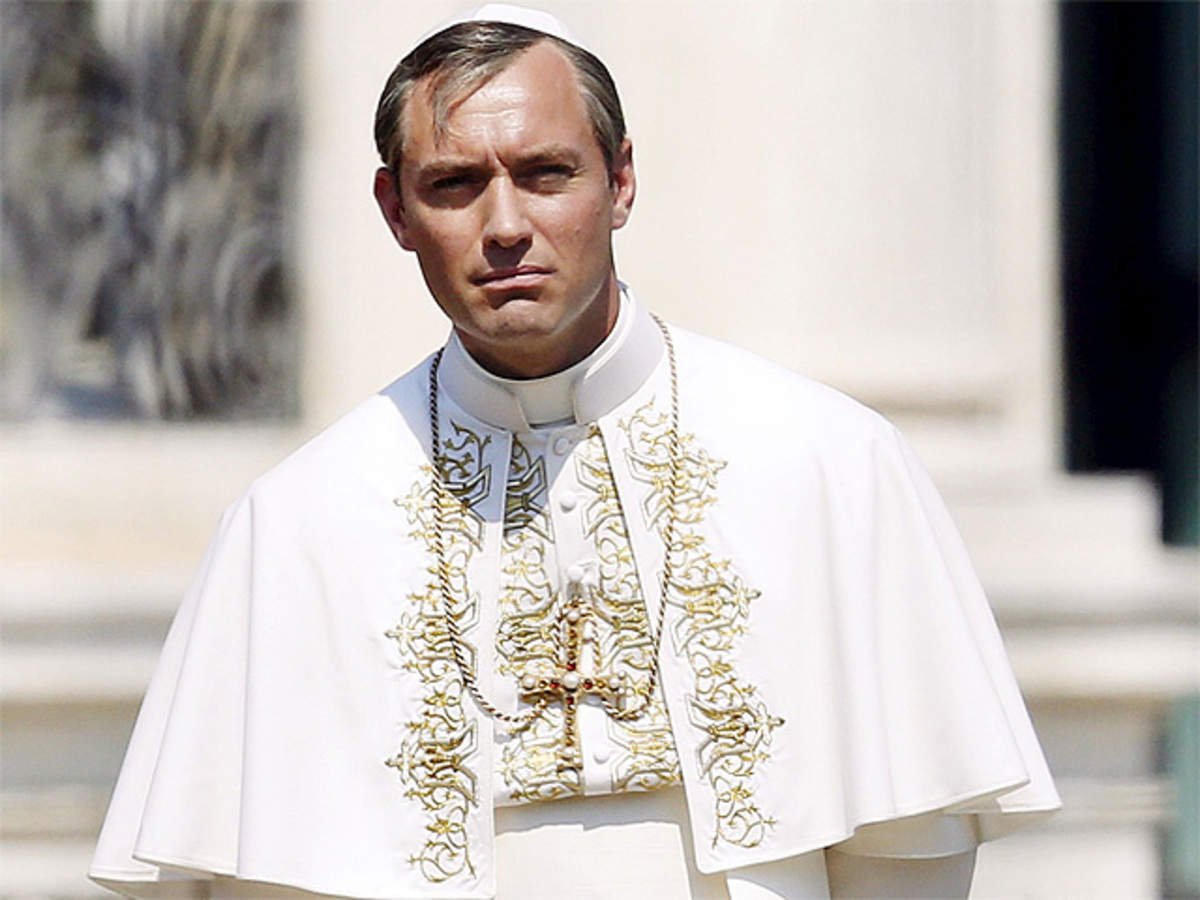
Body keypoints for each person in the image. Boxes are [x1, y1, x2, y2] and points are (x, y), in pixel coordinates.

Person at [89, 5, 1060, 898]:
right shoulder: (298, 524)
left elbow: (909, 845)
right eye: (455, 185)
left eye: (546, 174)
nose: (506, 226)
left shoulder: (828, 464)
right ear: (395, 211)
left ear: (620, 180)